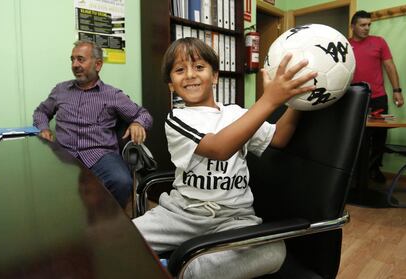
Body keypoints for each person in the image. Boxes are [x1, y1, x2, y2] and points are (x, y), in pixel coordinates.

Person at [132, 38, 317, 279]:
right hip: (182, 213)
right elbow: (219, 148)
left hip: (235, 218)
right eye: (179, 70)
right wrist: (270, 99)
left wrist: (297, 101)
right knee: (120, 241)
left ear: (215, 76)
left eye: (199, 67)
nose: (190, 75)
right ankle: (190, 258)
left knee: (274, 250)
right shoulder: (177, 119)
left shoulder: (237, 114)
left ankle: (180, 268)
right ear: (171, 85)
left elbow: (279, 138)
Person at [33, 40, 153, 208]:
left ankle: (108, 221)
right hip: (64, 154)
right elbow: (41, 112)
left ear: (98, 65)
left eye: (80, 59)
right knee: (39, 185)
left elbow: (143, 114)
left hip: (100, 155)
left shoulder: (113, 95)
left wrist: (138, 124)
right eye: (72, 59)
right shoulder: (60, 90)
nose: (75, 65)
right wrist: (43, 128)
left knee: (122, 181)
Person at [349, 10, 404, 183]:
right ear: (353, 26)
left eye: (369, 25)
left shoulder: (379, 42)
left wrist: (397, 91)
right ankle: (356, 172)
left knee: (379, 136)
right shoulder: (344, 44)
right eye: (362, 25)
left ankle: (374, 169)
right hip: (355, 98)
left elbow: (389, 66)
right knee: (356, 135)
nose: (366, 28)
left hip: (378, 97)